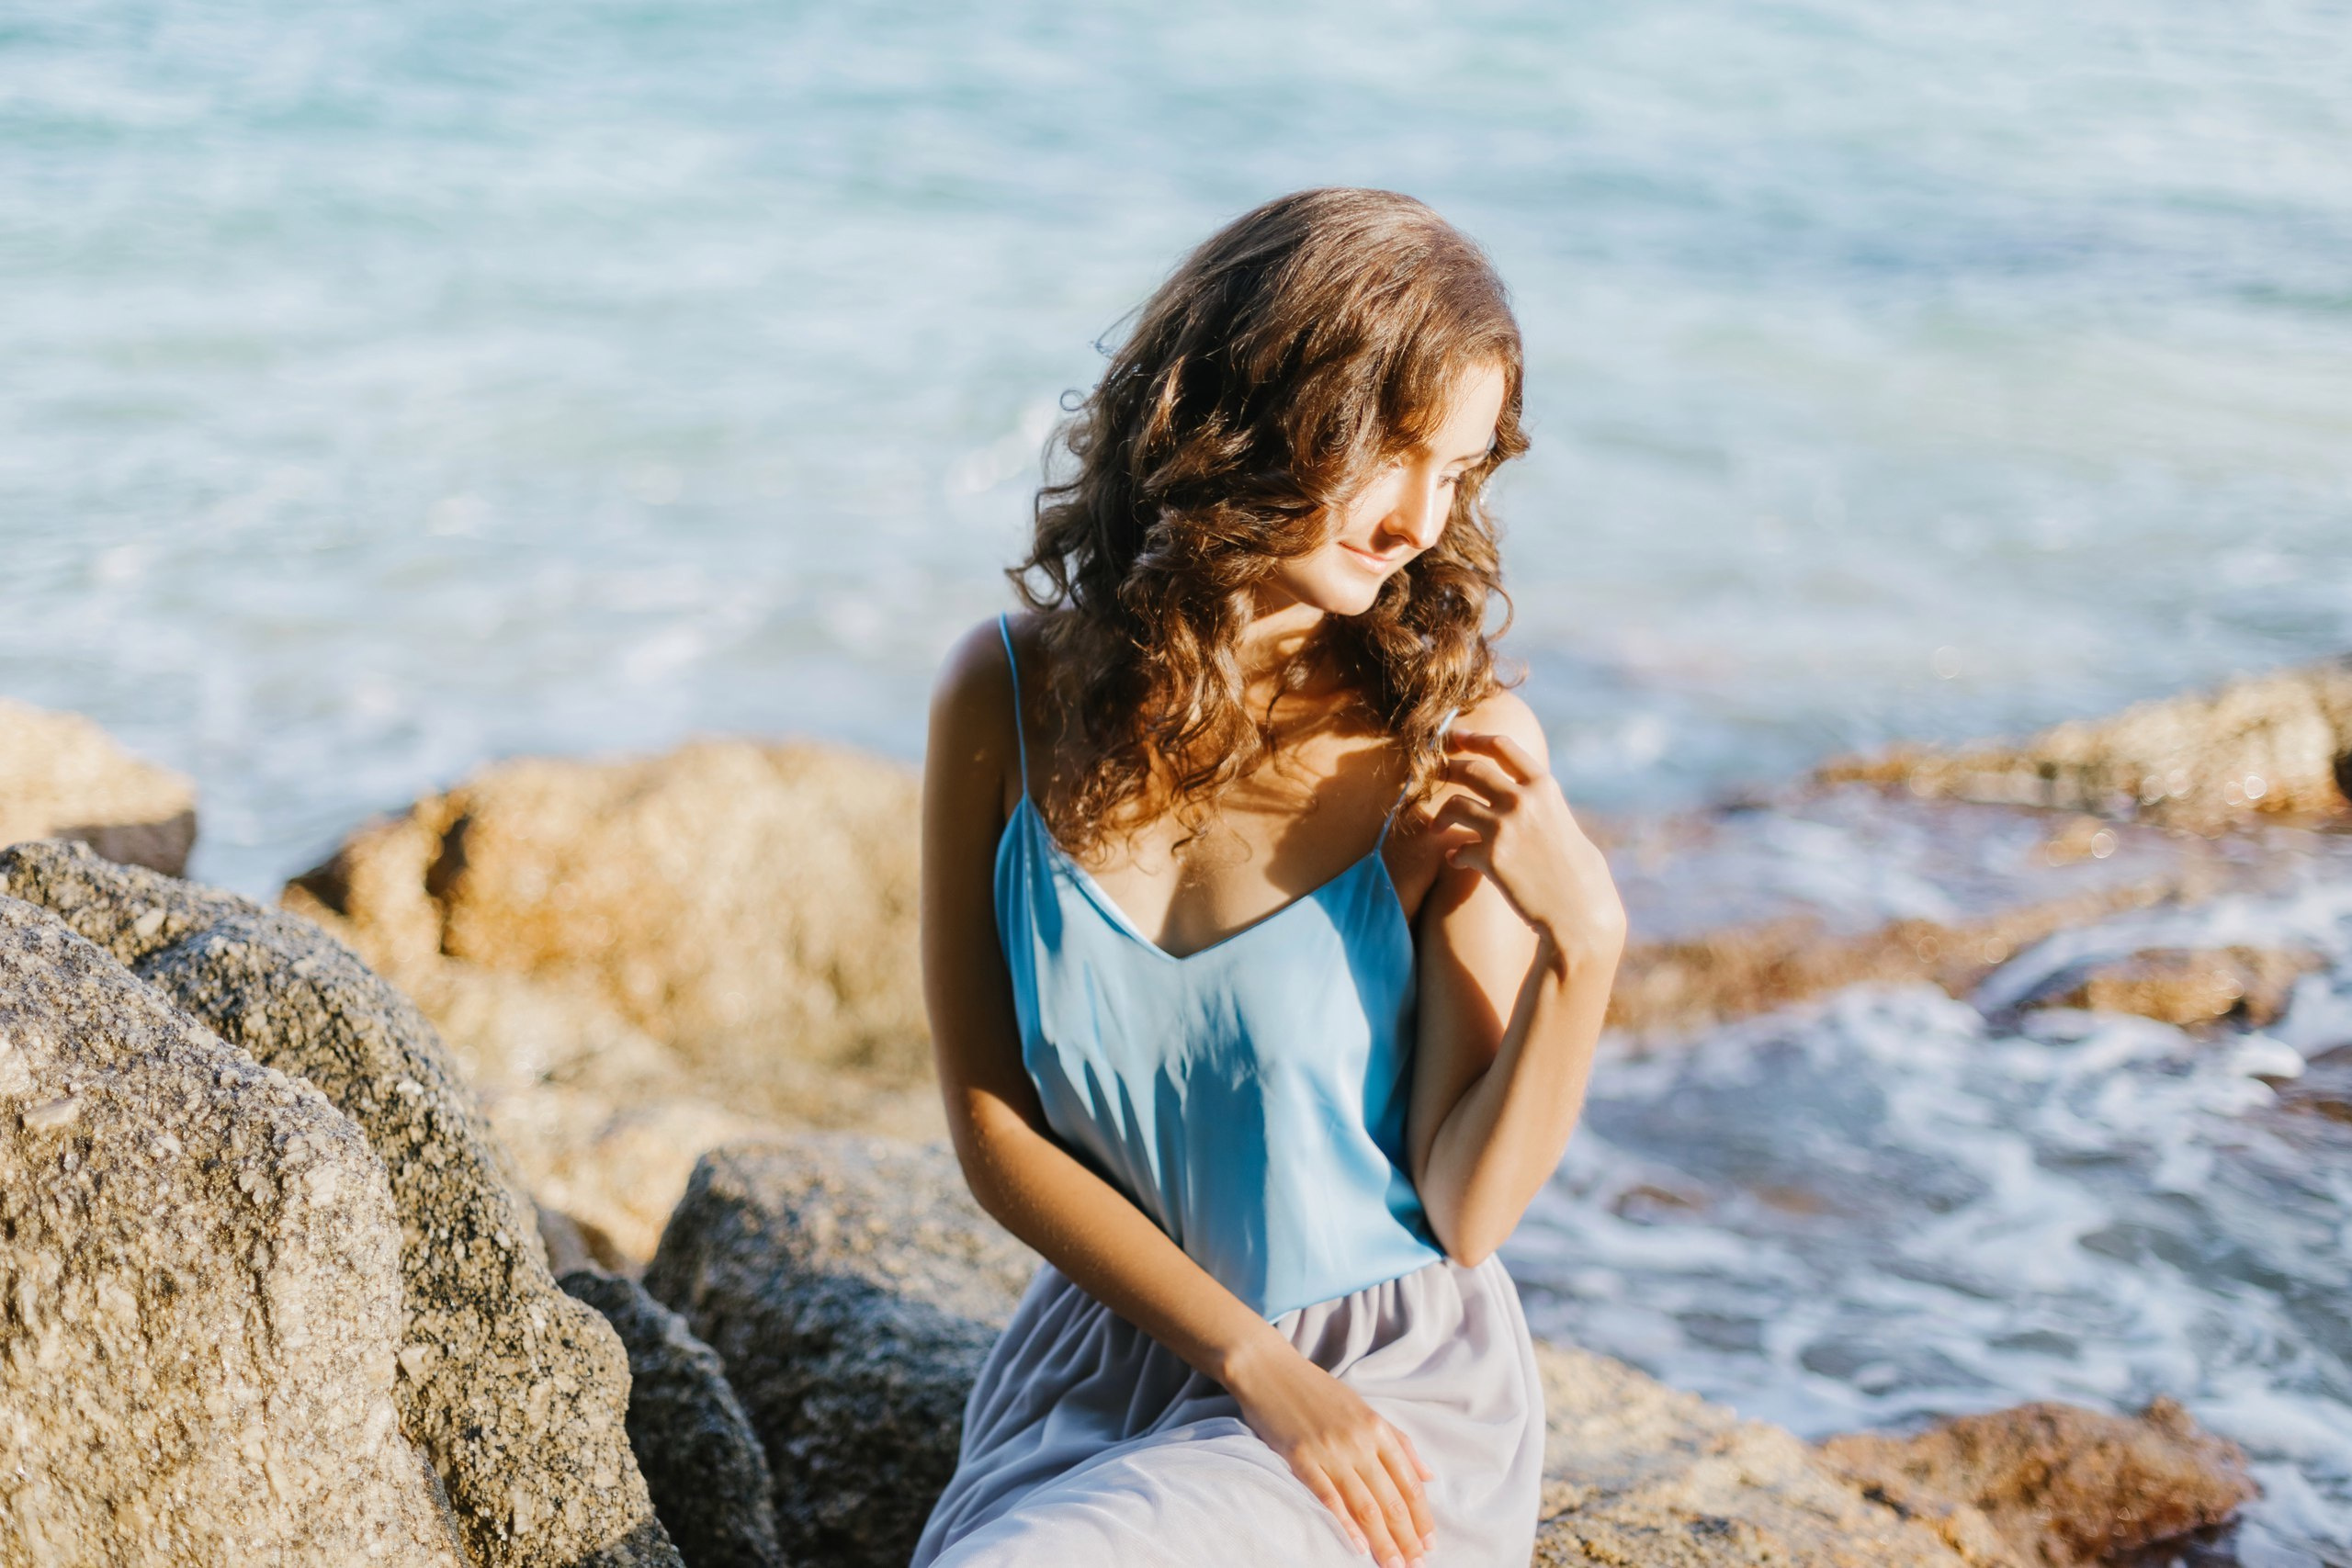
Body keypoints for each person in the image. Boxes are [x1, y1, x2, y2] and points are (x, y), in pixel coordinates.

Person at [912, 187, 1625, 1568]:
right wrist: (1247, 1361)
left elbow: (1464, 1207)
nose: (1425, 517)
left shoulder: (1446, 746)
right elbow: (995, 1129)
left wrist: (1585, 942)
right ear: (1256, 403)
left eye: (1463, 473)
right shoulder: (1002, 691)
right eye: (1399, 451)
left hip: (1388, 1387)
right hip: (1099, 1372)